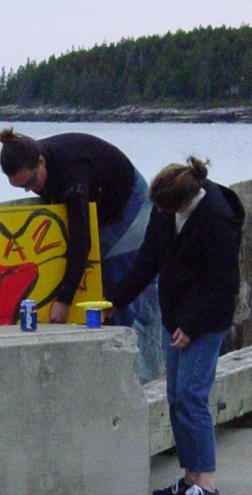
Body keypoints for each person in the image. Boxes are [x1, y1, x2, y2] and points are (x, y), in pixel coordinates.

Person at [106, 157, 245, 495]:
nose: (161, 214)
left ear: (184, 201)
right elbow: (148, 259)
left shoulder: (217, 218)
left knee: (192, 396)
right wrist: (115, 300)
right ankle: (189, 478)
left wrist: (192, 327)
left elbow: (224, 285)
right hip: (175, 314)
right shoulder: (165, 208)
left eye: (165, 210)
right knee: (175, 396)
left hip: (206, 320)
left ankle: (206, 484)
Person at [0, 127, 164, 384]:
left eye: (31, 182)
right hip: (98, 205)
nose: (30, 190)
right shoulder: (33, 159)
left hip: (128, 203)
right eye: (21, 187)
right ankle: (112, 376)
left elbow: (81, 242)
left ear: (41, 161)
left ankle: (149, 379)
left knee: (129, 291)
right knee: (103, 290)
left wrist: (64, 300)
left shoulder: (72, 172)